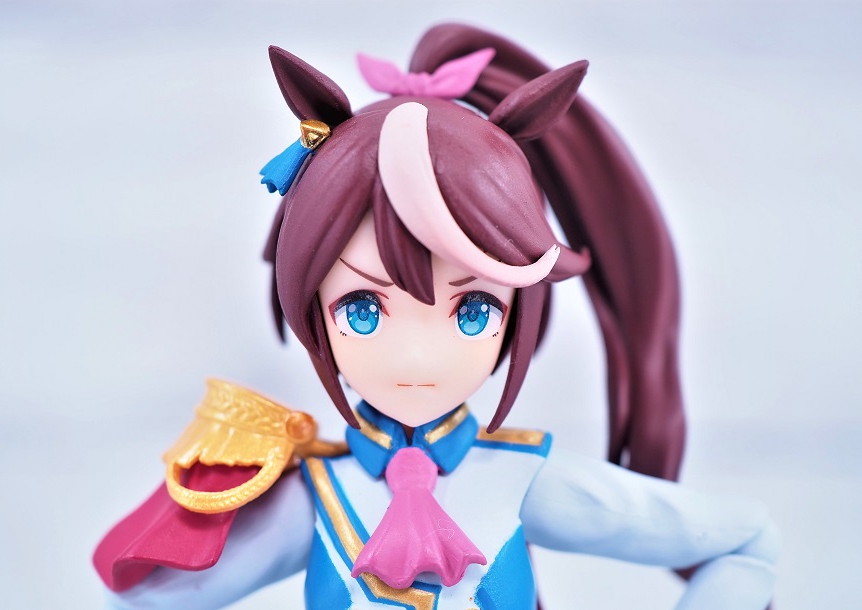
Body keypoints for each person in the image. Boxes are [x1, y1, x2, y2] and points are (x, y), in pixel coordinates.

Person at [94, 24, 779, 610]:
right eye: (364, 309)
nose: (418, 358)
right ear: (311, 305)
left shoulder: (523, 479)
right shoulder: (315, 494)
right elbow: (145, 599)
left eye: (473, 310)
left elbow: (744, 544)